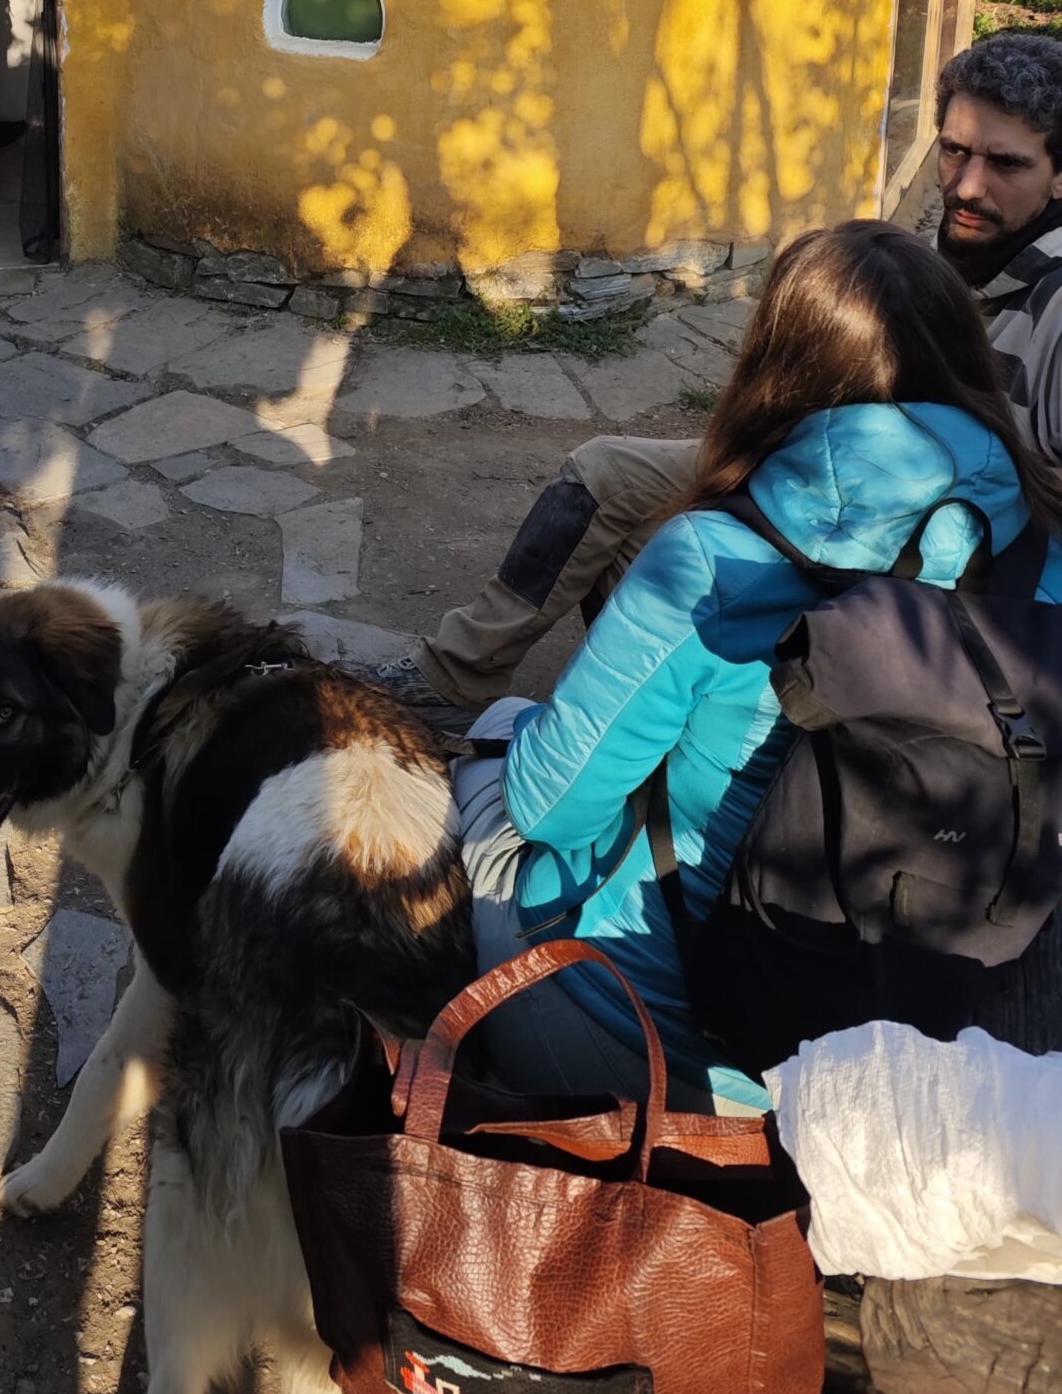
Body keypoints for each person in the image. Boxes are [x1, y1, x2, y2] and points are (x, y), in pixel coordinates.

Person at [452, 219, 1062, 1115]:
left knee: (493, 746)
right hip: (916, 1044)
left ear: (777, 366)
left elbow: (553, 807)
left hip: (657, 1043)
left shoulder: (713, 556)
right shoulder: (1043, 556)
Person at [421, 29, 1062, 712]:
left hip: (929, 558)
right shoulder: (952, 256)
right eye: (955, 150)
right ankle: (457, 679)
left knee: (670, 551)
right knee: (607, 476)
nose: (968, 185)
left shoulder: (1054, 303)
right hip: (836, 479)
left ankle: (652, 724)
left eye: (1005, 163)